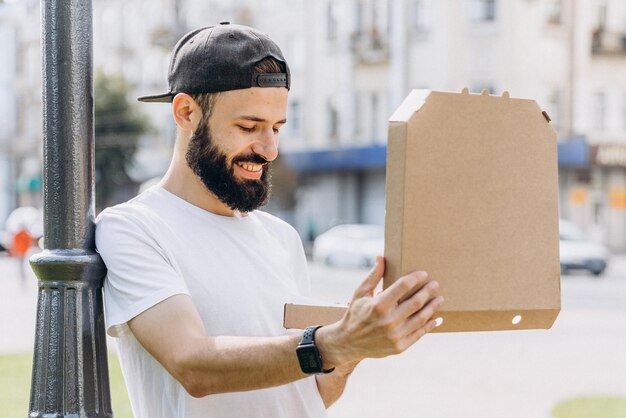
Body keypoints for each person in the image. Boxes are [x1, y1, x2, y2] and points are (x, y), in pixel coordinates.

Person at [95, 22, 444, 418]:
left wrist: (355, 344)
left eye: (277, 127)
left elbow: (304, 396)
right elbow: (192, 364)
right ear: (186, 112)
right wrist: (334, 341)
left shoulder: (282, 238)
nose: (269, 149)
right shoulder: (133, 228)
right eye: (249, 127)